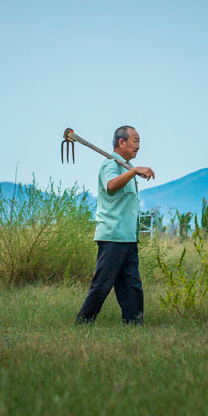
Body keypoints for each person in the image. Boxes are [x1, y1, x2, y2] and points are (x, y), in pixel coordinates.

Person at [75, 125, 155, 325]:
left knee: (132, 286)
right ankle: (83, 323)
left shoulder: (124, 167)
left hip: (128, 238)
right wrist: (135, 170)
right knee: (102, 284)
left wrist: (132, 170)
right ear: (122, 142)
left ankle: (134, 324)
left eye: (139, 141)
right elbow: (111, 185)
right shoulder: (110, 165)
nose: (138, 145)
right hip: (112, 237)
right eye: (135, 140)